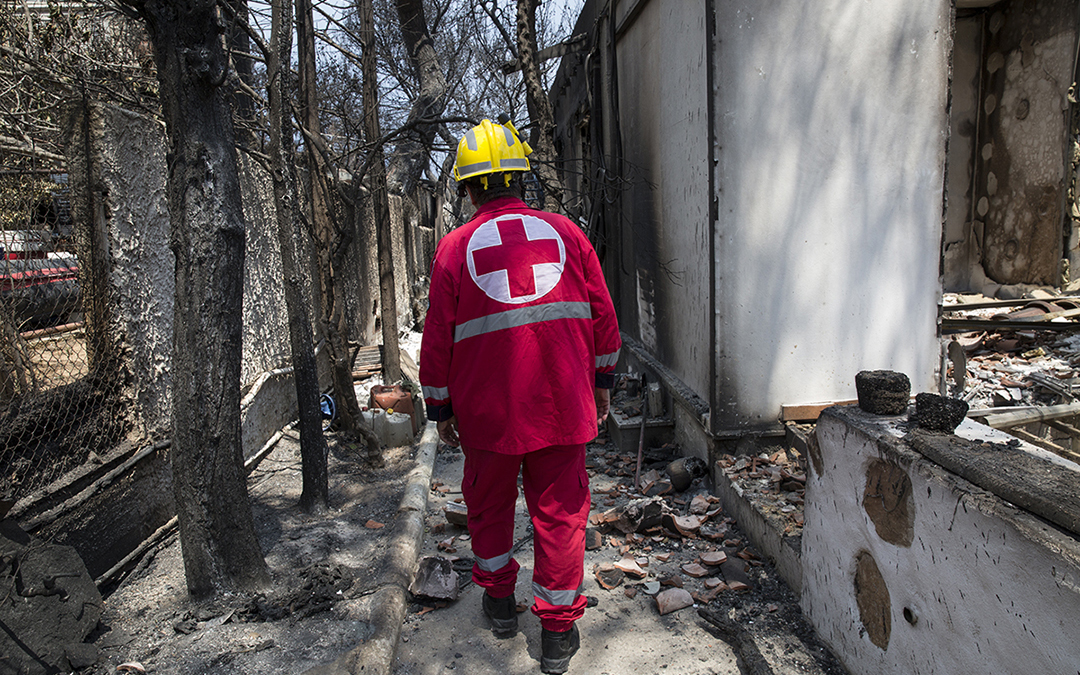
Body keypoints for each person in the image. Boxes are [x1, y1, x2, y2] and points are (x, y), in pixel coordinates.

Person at [420, 116, 621, 674]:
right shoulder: (568, 234)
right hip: (561, 408)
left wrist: (440, 409)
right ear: (520, 178)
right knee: (560, 516)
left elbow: (436, 340)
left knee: (488, 508)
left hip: (487, 415)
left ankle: (500, 604)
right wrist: (601, 386)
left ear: (468, 187)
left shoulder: (454, 251)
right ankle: (557, 636)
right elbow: (604, 319)